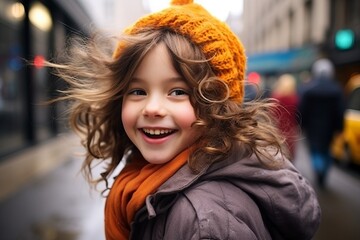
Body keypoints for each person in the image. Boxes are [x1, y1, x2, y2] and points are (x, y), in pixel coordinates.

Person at [50, 0, 320, 239]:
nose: (152, 108)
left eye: (178, 92)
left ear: (217, 106)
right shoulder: (149, 182)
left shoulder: (204, 223)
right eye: (138, 91)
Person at [299, 58, 345, 187]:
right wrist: (340, 127)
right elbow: (340, 110)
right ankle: (323, 171)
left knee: (315, 150)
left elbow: (303, 109)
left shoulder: (309, 89)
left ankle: (319, 169)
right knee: (326, 150)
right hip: (329, 127)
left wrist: (302, 124)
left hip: (313, 127)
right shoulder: (336, 89)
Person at [270, 74, 300, 160]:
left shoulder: (275, 98)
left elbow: (271, 115)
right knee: (290, 157)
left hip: (277, 131)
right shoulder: (295, 99)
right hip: (291, 131)